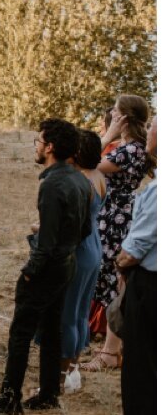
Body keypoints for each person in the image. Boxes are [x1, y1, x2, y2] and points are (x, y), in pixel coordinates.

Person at [0, 119, 90, 415]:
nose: (36, 146)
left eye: (39, 141)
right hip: (67, 265)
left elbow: (44, 245)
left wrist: (29, 271)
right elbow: (85, 230)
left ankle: (9, 399)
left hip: (46, 268)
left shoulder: (51, 185)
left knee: (20, 332)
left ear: (50, 147)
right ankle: (48, 393)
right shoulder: (81, 180)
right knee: (53, 328)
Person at [83, 94, 151, 373]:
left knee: (112, 280)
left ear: (124, 117)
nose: (110, 111)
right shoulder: (126, 147)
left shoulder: (132, 149)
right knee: (106, 278)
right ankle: (109, 343)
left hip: (116, 217)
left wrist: (107, 133)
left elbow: (85, 162)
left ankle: (112, 350)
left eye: (115, 110)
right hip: (109, 213)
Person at [49, 128, 106, 393]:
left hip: (80, 249)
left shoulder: (81, 181)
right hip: (95, 247)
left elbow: (72, 224)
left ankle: (61, 381)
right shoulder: (99, 176)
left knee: (68, 316)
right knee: (81, 312)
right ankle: (74, 369)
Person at [115, 115, 155, 415]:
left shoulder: (158, 192)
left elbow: (132, 252)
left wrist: (120, 265)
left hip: (150, 285)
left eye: (155, 125)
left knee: (141, 374)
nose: (149, 130)